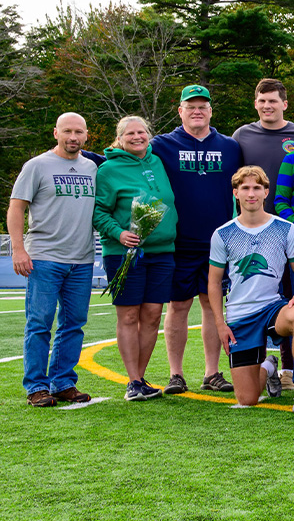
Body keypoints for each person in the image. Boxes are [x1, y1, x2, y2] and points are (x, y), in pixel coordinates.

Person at [149, 85, 243, 395]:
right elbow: (129, 156)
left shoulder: (230, 146)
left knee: (211, 305)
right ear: (180, 110)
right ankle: (176, 374)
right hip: (179, 240)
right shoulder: (162, 144)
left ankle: (211, 373)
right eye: (191, 106)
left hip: (219, 239)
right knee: (178, 305)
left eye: (203, 105)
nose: (197, 110)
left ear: (211, 111)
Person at [207, 166, 294, 412]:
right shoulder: (223, 234)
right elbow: (213, 283)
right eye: (245, 188)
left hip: (272, 308)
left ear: (266, 192)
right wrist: (220, 324)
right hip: (239, 316)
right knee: (247, 399)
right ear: (236, 193)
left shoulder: (285, 228)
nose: (251, 193)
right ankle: (268, 367)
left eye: (257, 187)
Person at [9, 112, 97, 407]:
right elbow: (16, 207)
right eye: (68, 131)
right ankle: (36, 385)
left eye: (79, 132)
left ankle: (62, 382)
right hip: (44, 257)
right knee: (39, 323)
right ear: (55, 133)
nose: (73, 137)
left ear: (87, 135)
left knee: (74, 324)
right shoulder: (37, 166)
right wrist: (18, 249)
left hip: (82, 259)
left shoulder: (93, 167)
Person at [92, 116, 178, 401]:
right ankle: (132, 381)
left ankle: (140, 378)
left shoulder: (157, 161)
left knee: (153, 315)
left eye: (142, 132)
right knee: (129, 315)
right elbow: (99, 211)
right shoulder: (108, 170)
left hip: (163, 251)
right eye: (130, 133)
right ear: (120, 138)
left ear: (149, 135)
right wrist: (119, 234)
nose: (137, 137)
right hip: (125, 253)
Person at [232, 78, 294, 215]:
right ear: (256, 104)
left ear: (285, 105)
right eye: (262, 101)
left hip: (292, 218)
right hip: (252, 219)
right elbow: (231, 177)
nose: (267, 106)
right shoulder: (241, 135)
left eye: (272, 101)